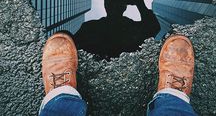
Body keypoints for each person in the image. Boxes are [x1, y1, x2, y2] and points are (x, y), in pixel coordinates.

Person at [39, 32, 198, 115]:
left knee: (59, 109)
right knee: (174, 109)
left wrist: (140, 5)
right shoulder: (95, 25)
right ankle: (173, 94)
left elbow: (153, 26)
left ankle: (60, 93)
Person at [73, 0, 160, 59]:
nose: (116, 5)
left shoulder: (129, 26)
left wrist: (140, 3)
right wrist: (140, 3)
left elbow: (153, 29)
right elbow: (152, 28)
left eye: (119, 1)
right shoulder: (91, 27)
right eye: (115, 1)